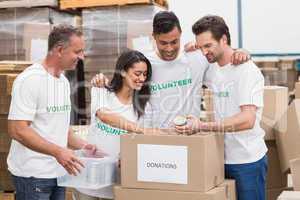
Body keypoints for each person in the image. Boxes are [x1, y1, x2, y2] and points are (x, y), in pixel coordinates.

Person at [92, 11, 250, 129]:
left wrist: (241, 51)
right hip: (155, 137)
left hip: (188, 135)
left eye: (174, 42)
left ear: (181, 34)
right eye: (163, 43)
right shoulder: (145, 63)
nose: (169, 48)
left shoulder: (197, 58)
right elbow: (123, 83)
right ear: (153, 36)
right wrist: (101, 81)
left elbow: (222, 60)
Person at [175, 15, 267, 200]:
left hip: (247, 161)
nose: (203, 52)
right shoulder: (213, 69)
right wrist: (189, 49)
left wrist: (201, 126)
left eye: (208, 46)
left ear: (224, 39)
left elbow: (247, 120)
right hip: (221, 159)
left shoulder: (246, 71)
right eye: (200, 46)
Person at [7, 25, 103, 200]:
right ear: (59, 50)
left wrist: (84, 146)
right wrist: (58, 152)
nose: (82, 57)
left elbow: (60, 128)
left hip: (58, 173)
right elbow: (17, 130)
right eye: (78, 51)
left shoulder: (63, 81)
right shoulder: (30, 80)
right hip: (33, 176)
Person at [73, 50, 161, 200]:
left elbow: (139, 142)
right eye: (137, 73)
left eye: (145, 74)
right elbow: (104, 115)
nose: (142, 78)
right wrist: (142, 130)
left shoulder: (145, 106)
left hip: (116, 178)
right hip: (90, 177)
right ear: (123, 72)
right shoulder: (101, 91)